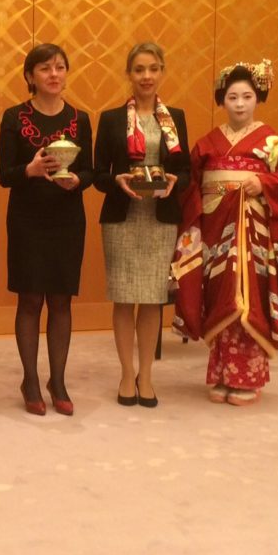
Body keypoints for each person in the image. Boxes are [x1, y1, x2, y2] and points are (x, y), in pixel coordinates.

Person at [172, 59, 278, 405]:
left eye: (246, 96)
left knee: (250, 298)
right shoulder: (207, 145)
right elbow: (190, 187)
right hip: (216, 230)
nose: (239, 104)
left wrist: (263, 182)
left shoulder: (273, 143)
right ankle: (220, 374)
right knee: (220, 295)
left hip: (254, 234)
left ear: (257, 98)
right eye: (232, 97)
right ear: (222, 100)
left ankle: (247, 378)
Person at [0, 43, 93, 416]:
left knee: (61, 299)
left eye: (60, 67)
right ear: (30, 76)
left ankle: (59, 379)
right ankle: (31, 380)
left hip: (67, 218)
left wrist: (77, 182)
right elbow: (4, 175)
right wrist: (30, 171)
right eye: (45, 69)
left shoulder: (80, 118)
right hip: (27, 218)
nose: (54, 74)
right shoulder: (13, 116)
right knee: (31, 299)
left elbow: (91, 171)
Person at [94, 42, 190, 408]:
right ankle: (124, 373)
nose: (146, 76)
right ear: (129, 74)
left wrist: (172, 181)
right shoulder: (111, 119)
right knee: (123, 297)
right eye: (139, 69)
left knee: (152, 299)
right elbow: (99, 174)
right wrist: (117, 179)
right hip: (122, 218)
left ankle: (146, 375)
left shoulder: (175, 117)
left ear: (162, 71)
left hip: (159, 219)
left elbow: (185, 169)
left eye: (153, 68)